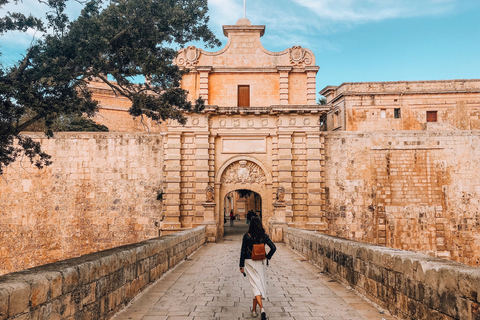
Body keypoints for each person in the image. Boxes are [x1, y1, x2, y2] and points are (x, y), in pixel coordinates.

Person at [239, 216, 276, 320]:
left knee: (255, 285)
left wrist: (241, 265)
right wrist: (268, 256)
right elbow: (273, 247)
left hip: (249, 262)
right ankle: (254, 310)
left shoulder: (247, 236)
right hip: (260, 261)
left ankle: (261, 308)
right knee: (258, 283)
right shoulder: (263, 236)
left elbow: (242, 251)